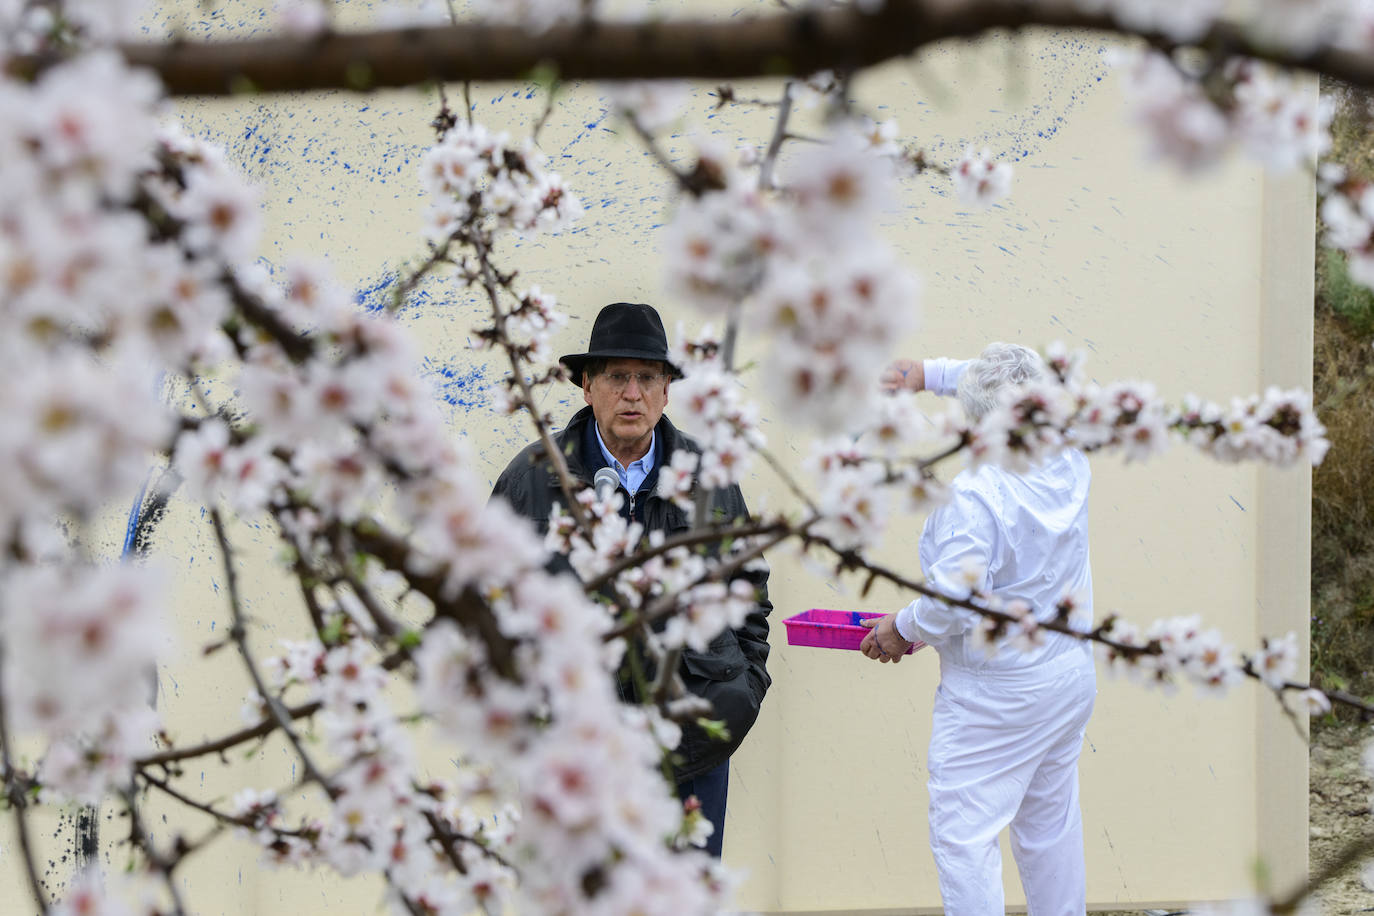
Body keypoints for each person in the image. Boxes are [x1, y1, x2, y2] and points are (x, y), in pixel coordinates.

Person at [490, 301, 771, 859]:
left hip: (690, 747)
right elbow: (487, 605)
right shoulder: (532, 480)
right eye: (617, 376)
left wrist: (740, 693)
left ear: (667, 390)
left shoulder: (708, 479)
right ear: (588, 385)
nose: (632, 393)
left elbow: (749, 603)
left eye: (647, 378)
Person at [861, 343, 1098, 916]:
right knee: (1049, 828)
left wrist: (900, 627)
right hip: (1066, 678)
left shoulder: (975, 495)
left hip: (996, 700)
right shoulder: (1067, 451)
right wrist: (929, 374)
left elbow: (954, 601)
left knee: (964, 841)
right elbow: (1006, 379)